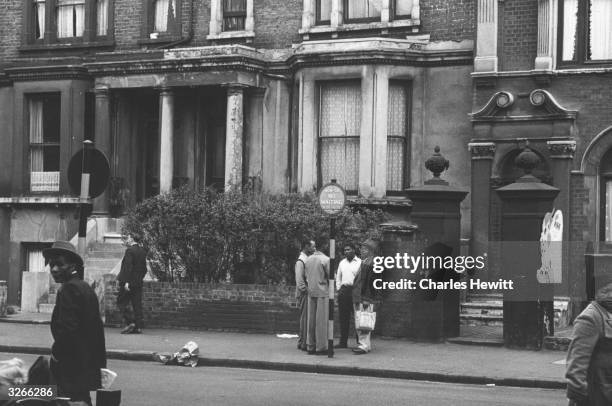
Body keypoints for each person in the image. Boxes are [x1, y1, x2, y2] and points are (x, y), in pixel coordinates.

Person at [43, 240, 107, 405]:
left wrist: (56, 355)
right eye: (51, 265)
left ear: (72, 267)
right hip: (84, 364)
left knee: (67, 400)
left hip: (70, 366)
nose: (54, 270)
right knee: (82, 400)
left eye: (59, 265)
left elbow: (67, 331)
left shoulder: (69, 289)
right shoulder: (84, 287)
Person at [566, 280, 612, 406]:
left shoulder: (608, 313)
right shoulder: (591, 317)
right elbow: (576, 363)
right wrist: (578, 397)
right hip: (597, 396)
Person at [352, 239, 381, 355]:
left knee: (363, 321)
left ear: (370, 250)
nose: (361, 250)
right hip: (361, 296)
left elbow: (369, 283)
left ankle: (363, 345)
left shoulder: (370, 263)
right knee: (363, 321)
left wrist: (366, 299)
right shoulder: (367, 261)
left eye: (363, 249)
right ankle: (365, 345)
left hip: (364, 297)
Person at [117, 232, 148, 334]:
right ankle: (138, 327)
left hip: (128, 283)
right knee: (137, 304)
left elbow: (127, 267)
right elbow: (144, 269)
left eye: (128, 237)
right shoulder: (142, 251)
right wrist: (139, 279)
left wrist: (126, 282)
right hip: (138, 282)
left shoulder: (130, 251)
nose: (127, 239)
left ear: (132, 239)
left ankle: (130, 322)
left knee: (121, 302)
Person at [304, 242, 330, 355]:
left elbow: (306, 276)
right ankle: (321, 347)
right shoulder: (326, 259)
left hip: (311, 291)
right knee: (321, 322)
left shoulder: (308, 259)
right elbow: (330, 276)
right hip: (322, 293)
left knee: (311, 320)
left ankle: (310, 346)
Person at [335, 243, 361, 349]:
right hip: (344, 291)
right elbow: (338, 277)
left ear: (354, 250)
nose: (346, 252)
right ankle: (343, 342)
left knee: (357, 317)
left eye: (349, 249)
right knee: (343, 318)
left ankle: (360, 343)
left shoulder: (359, 262)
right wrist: (339, 289)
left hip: (355, 291)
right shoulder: (342, 263)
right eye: (345, 250)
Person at [295, 239, 316, 351]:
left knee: (307, 318)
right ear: (307, 247)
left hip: (306, 293)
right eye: (313, 247)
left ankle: (303, 341)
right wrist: (306, 291)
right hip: (304, 294)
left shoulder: (306, 259)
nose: (314, 249)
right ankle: (303, 343)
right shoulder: (301, 261)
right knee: (305, 318)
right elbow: (300, 281)